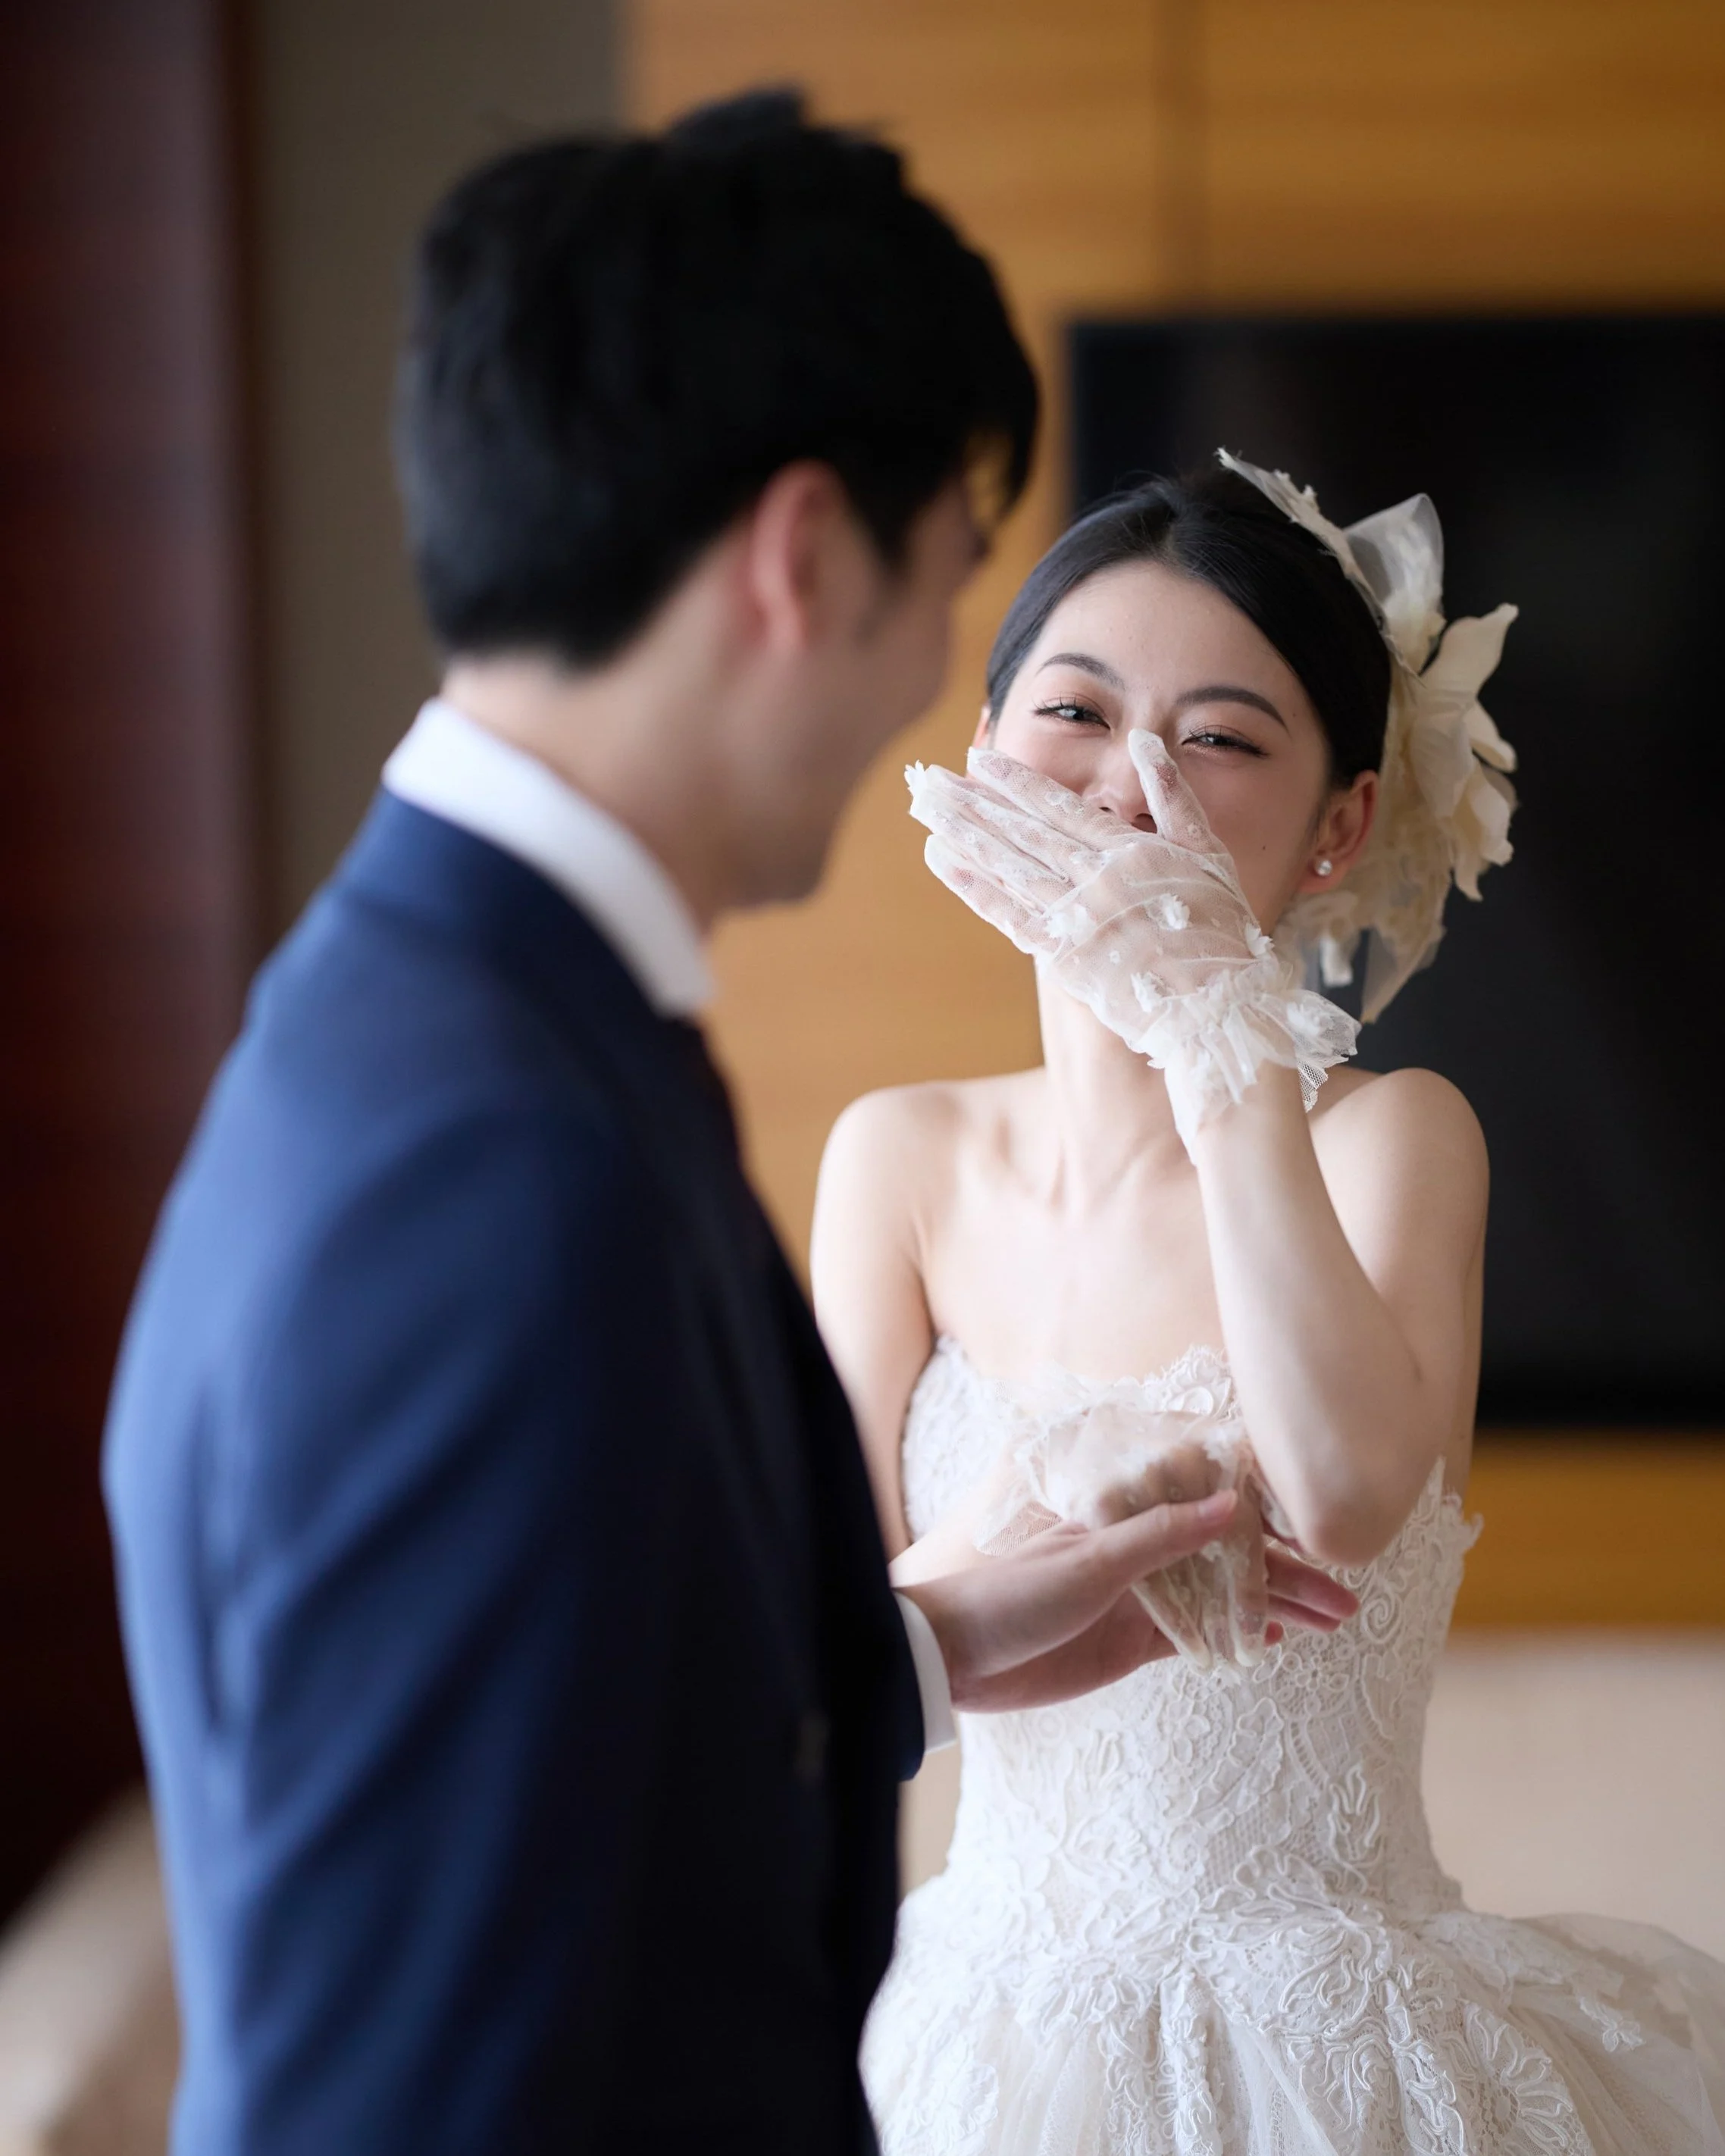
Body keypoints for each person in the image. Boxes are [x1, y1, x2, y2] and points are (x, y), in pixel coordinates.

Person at [100, 95, 1352, 2156]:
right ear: (798, 561)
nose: (938, 703)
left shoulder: (448, 1022)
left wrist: (926, 1639)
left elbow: (589, 1733)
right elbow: (407, 2072)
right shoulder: (488, 1168)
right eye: (951, 589)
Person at [819, 456, 1725, 2153]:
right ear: (995, 738)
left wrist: (1218, 1034)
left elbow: (1344, 1491)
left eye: (1220, 738)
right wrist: (1036, 1511)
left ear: (1342, 827)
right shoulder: (897, 1164)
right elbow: (819, 1655)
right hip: (974, 2044)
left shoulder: (1399, 1140)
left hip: (1332, 2061)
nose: (1133, 785)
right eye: (1074, 711)